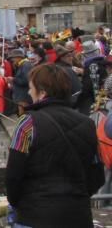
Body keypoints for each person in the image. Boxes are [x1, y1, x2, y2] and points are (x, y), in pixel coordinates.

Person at [6, 63, 104, 227]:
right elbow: (97, 175)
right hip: (78, 215)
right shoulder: (88, 124)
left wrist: (19, 203)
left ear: (42, 92)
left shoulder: (27, 123)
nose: (29, 92)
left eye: (31, 88)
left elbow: (13, 174)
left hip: (34, 214)